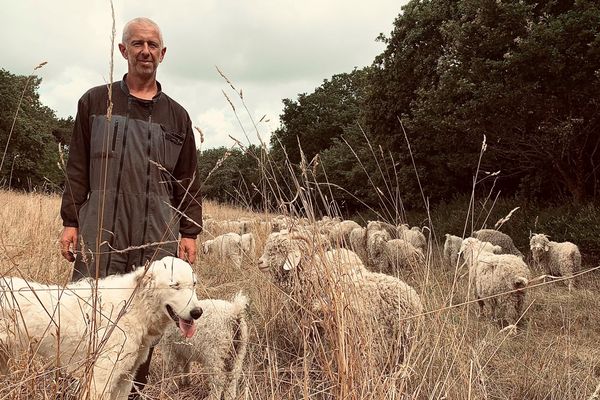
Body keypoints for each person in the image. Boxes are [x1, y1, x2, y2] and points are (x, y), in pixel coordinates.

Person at [59, 17, 202, 398]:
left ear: (163, 53)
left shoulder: (178, 116)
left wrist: (189, 232)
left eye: (153, 45)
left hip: (156, 233)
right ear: (123, 50)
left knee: (148, 319)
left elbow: (187, 179)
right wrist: (71, 221)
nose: (145, 51)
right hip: (100, 227)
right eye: (137, 44)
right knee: (88, 310)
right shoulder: (94, 102)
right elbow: (77, 166)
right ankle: (81, 387)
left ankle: (133, 392)